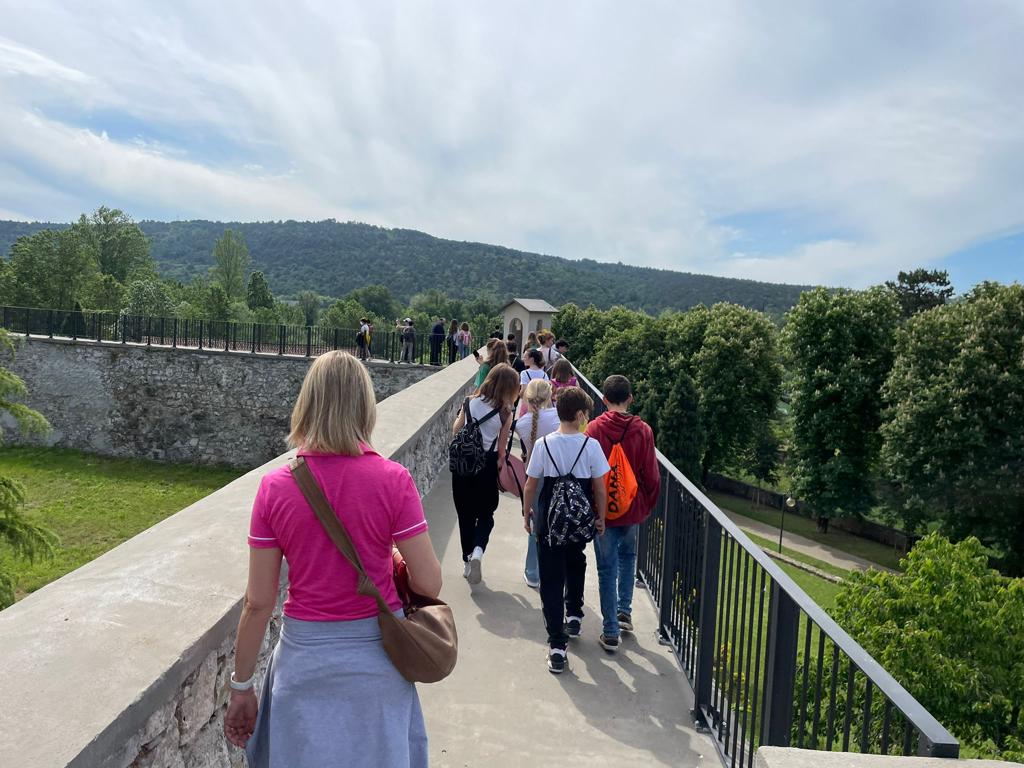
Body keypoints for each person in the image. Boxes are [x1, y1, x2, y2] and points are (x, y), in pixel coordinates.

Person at [224, 351, 442, 766]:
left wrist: (242, 687)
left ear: (308, 404)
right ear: (365, 406)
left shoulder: (275, 487)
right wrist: (391, 557)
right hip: (380, 665)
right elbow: (429, 583)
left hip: (304, 665)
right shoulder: (393, 481)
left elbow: (258, 602)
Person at [522, 386, 608, 674]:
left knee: (551, 578)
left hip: (550, 522)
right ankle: (574, 613)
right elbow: (599, 487)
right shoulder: (590, 446)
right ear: (581, 415)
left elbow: (531, 484)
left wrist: (527, 514)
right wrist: (602, 518)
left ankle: (557, 645)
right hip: (579, 521)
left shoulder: (544, 444)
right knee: (577, 561)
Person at [585, 374, 660, 653]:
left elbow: (587, 472)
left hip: (602, 512)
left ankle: (610, 631)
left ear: (603, 400)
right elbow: (652, 476)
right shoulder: (644, 431)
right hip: (633, 508)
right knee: (629, 558)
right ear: (630, 399)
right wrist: (646, 505)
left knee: (607, 569)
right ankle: (624, 611)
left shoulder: (593, 429)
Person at [450, 363, 519, 585]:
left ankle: (467, 560)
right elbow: (501, 450)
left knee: (465, 514)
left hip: (463, 465)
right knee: (486, 513)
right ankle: (479, 550)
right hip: (486, 465)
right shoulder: (505, 413)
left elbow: (456, 429)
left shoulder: (469, 402)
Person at [514, 379, 559, 588]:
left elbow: (526, 452)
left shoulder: (522, 424)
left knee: (536, 525)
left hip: (535, 477)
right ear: (550, 395)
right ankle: (555, 572)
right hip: (559, 477)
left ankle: (533, 572)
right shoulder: (559, 417)